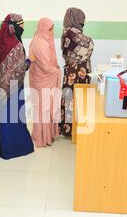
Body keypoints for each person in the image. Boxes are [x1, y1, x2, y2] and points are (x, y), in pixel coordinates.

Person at [0, 13, 34, 159]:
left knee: (4, 117)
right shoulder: (15, 45)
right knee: (14, 118)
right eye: (21, 25)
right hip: (14, 88)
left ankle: (3, 148)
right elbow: (20, 69)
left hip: (0, 88)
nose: (23, 28)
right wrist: (28, 62)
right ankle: (16, 148)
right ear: (13, 27)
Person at [59, 8, 94, 137]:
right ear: (75, 19)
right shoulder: (72, 33)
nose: (83, 21)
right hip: (77, 71)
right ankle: (73, 129)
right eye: (81, 19)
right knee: (75, 99)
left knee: (71, 98)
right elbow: (89, 44)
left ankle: (70, 128)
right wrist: (90, 44)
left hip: (72, 71)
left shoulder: (67, 32)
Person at [29, 18, 62, 147]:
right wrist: (57, 71)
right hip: (41, 80)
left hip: (45, 79)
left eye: (52, 28)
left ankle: (49, 135)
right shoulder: (39, 43)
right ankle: (41, 138)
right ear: (43, 28)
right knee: (43, 108)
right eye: (50, 29)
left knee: (46, 108)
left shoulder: (44, 40)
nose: (52, 31)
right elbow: (45, 67)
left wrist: (55, 68)